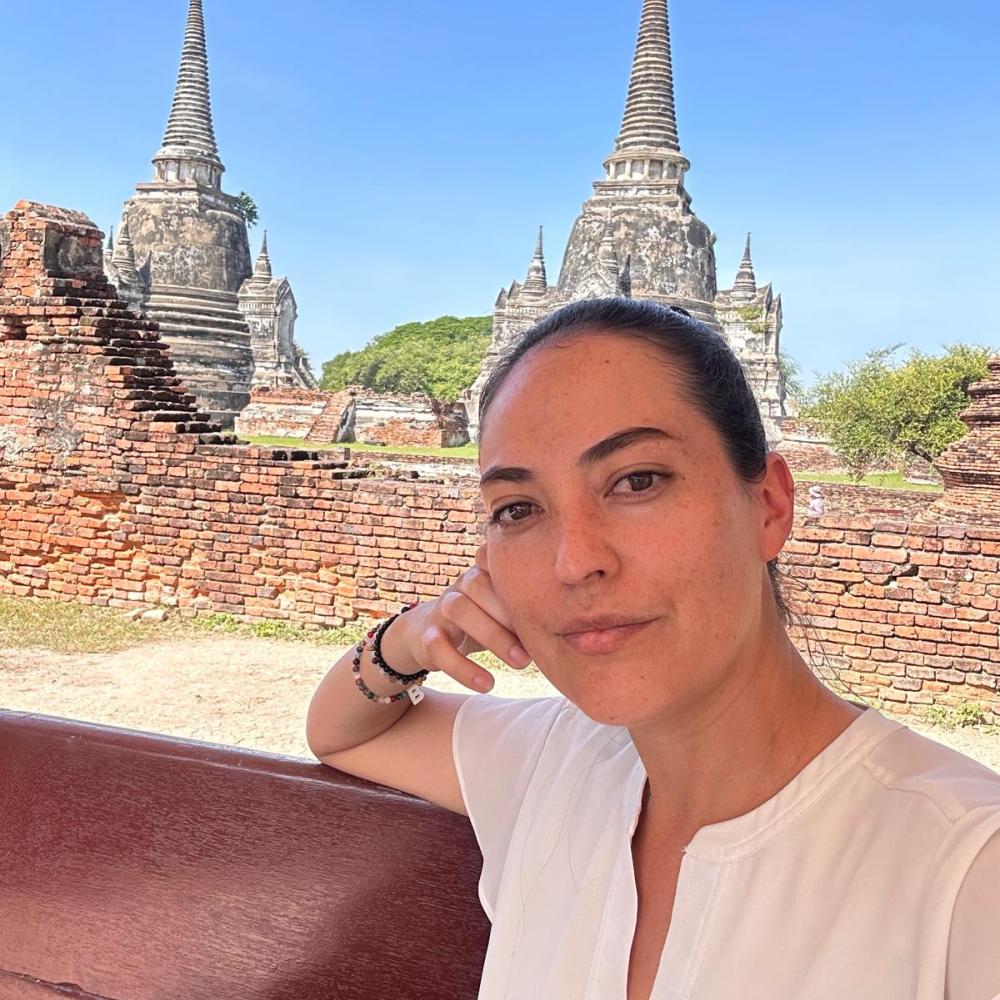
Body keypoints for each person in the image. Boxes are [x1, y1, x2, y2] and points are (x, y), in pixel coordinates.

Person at [306, 298, 1000, 1000]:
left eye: (637, 481)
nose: (574, 562)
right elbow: (339, 730)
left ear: (769, 508)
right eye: (518, 509)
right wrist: (412, 635)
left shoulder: (965, 870)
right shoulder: (554, 761)